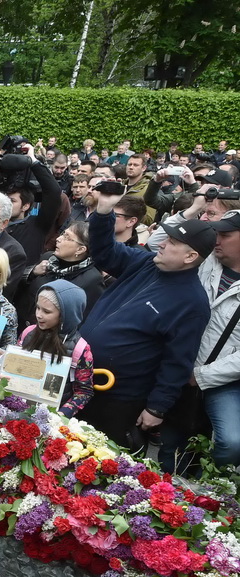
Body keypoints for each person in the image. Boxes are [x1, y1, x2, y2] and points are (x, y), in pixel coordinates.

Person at [77, 186, 214, 451]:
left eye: (173, 242)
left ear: (191, 256)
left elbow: (177, 362)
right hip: (80, 376)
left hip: (117, 395)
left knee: (93, 458)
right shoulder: (145, 262)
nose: (162, 242)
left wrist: (156, 408)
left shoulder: (192, 303)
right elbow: (104, 253)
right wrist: (104, 211)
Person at [161, 210, 240, 470]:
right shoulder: (206, 261)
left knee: (230, 442)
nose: (217, 239)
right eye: (216, 233)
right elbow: (158, 242)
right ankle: (162, 486)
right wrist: (191, 209)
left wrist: (203, 375)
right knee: (171, 440)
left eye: (226, 235)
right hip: (180, 362)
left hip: (222, 380)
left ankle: (212, 483)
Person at [0, 281, 95, 417]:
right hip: (13, 410)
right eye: (38, 308)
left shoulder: (81, 349)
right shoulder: (28, 332)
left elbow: (84, 391)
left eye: (46, 311)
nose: (39, 315)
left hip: (50, 419)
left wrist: (61, 415)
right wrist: (3, 363)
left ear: (66, 315)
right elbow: (15, 369)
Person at [15, 222, 104, 328]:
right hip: (22, 328)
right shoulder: (47, 258)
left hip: (52, 338)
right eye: (63, 233)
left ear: (81, 249)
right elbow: (18, 289)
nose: (58, 239)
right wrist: (32, 272)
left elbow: (83, 321)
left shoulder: (92, 280)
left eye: (67, 237)